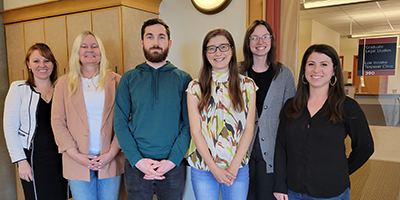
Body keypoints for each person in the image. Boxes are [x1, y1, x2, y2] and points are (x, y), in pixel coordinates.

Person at [274, 44, 374, 200]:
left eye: (324, 64)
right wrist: (279, 185)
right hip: (292, 191)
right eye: (311, 64)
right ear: (304, 69)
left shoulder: (347, 107)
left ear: (334, 71)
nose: (316, 70)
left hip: (329, 193)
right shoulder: (291, 106)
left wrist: (341, 171)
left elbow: (365, 147)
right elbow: (280, 147)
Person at [114, 18, 192, 200]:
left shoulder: (184, 79)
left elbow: (189, 125)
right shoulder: (128, 79)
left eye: (161, 37)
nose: (155, 42)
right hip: (136, 165)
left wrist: (172, 160)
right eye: (150, 37)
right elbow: (120, 122)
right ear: (142, 42)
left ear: (169, 43)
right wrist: (137, 160)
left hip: (173, 166)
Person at [51, 31, 124, 200]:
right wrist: (75, 154)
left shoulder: (117, 81)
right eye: (83, 46)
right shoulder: (63, 84)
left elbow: (125, 120)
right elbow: (57, 122)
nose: (89, 50)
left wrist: (112, 153)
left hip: (110, 160)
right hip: (76, 161)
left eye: (94, 46)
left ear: (101, 52)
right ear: (77, 52)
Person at [186, 28, 257, 200]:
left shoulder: (247, 86)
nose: (218, 52)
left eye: (223, 47)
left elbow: (249, 128)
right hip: (203, 166)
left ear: (232, 50)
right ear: (206, 53)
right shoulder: (195, 87)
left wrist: (233, 167)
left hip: (237, 166)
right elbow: (195, 132)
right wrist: (214, 168)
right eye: (212, 48)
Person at [240, 20, 296, 200]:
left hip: (271, 151)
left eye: (265, 37)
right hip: (241, 150)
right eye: (254, 37)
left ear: (271, 40)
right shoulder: (237, 72)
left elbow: (291, 114)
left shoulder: (284, 73)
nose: (260, 42)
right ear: (248, 42)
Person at [3, 43, 68, 200]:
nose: (42, 65)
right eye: (36, 61)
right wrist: (21, 161)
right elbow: (10, 128)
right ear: (28, 64)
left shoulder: (62, 88)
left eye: (47, 61)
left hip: (62, 157)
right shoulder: (18, 88)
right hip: (33, 159)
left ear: (53, 64)